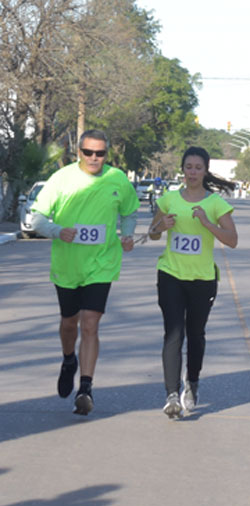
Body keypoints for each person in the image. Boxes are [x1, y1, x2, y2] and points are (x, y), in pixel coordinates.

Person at [31, 129, 140, 415]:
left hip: (102, 263)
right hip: (67, 265)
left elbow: (130, 211)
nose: (94, 158)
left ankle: (86, 388)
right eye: (88, 152)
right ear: (79, 152)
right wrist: (57, 231)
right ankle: (69, 360)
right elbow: (37, 218)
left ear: (107, 154)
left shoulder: (117, 179)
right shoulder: (62, 178)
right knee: (69, 323)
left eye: (100, 153)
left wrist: (127, 234)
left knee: (90, 324)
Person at [148, 146, 238, 418]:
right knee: (173, 333)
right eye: (189, 167)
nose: (193, 172)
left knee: (195, 335)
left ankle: (192, 383)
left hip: (202, 279)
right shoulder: (169, 199)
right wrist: (161, 227)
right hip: (171, 274)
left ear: (205, 171)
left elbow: (232, 240)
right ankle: (171, 394)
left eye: (198, 168)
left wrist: (207, 223)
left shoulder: (215, 204)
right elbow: (152, 234)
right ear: (183, 169)